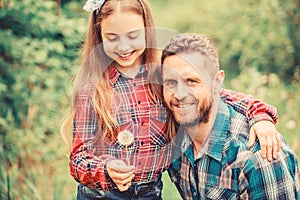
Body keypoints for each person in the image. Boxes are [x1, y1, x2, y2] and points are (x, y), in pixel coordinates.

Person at [60, 0, 281, 199]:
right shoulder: (93, 87)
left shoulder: (160, 73)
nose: (124, 47)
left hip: (150, 192)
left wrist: (259, 114)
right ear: (99, 36)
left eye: (133, 35)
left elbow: (211, 93)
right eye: (112, 38)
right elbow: (78, 158)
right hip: (102, 194)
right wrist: (106, 170)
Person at [161, 33, 300, 199]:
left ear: (217, 82)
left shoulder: (258, 158)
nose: (180, 94)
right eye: (170, 83)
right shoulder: (173, 136)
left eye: (192, 81)